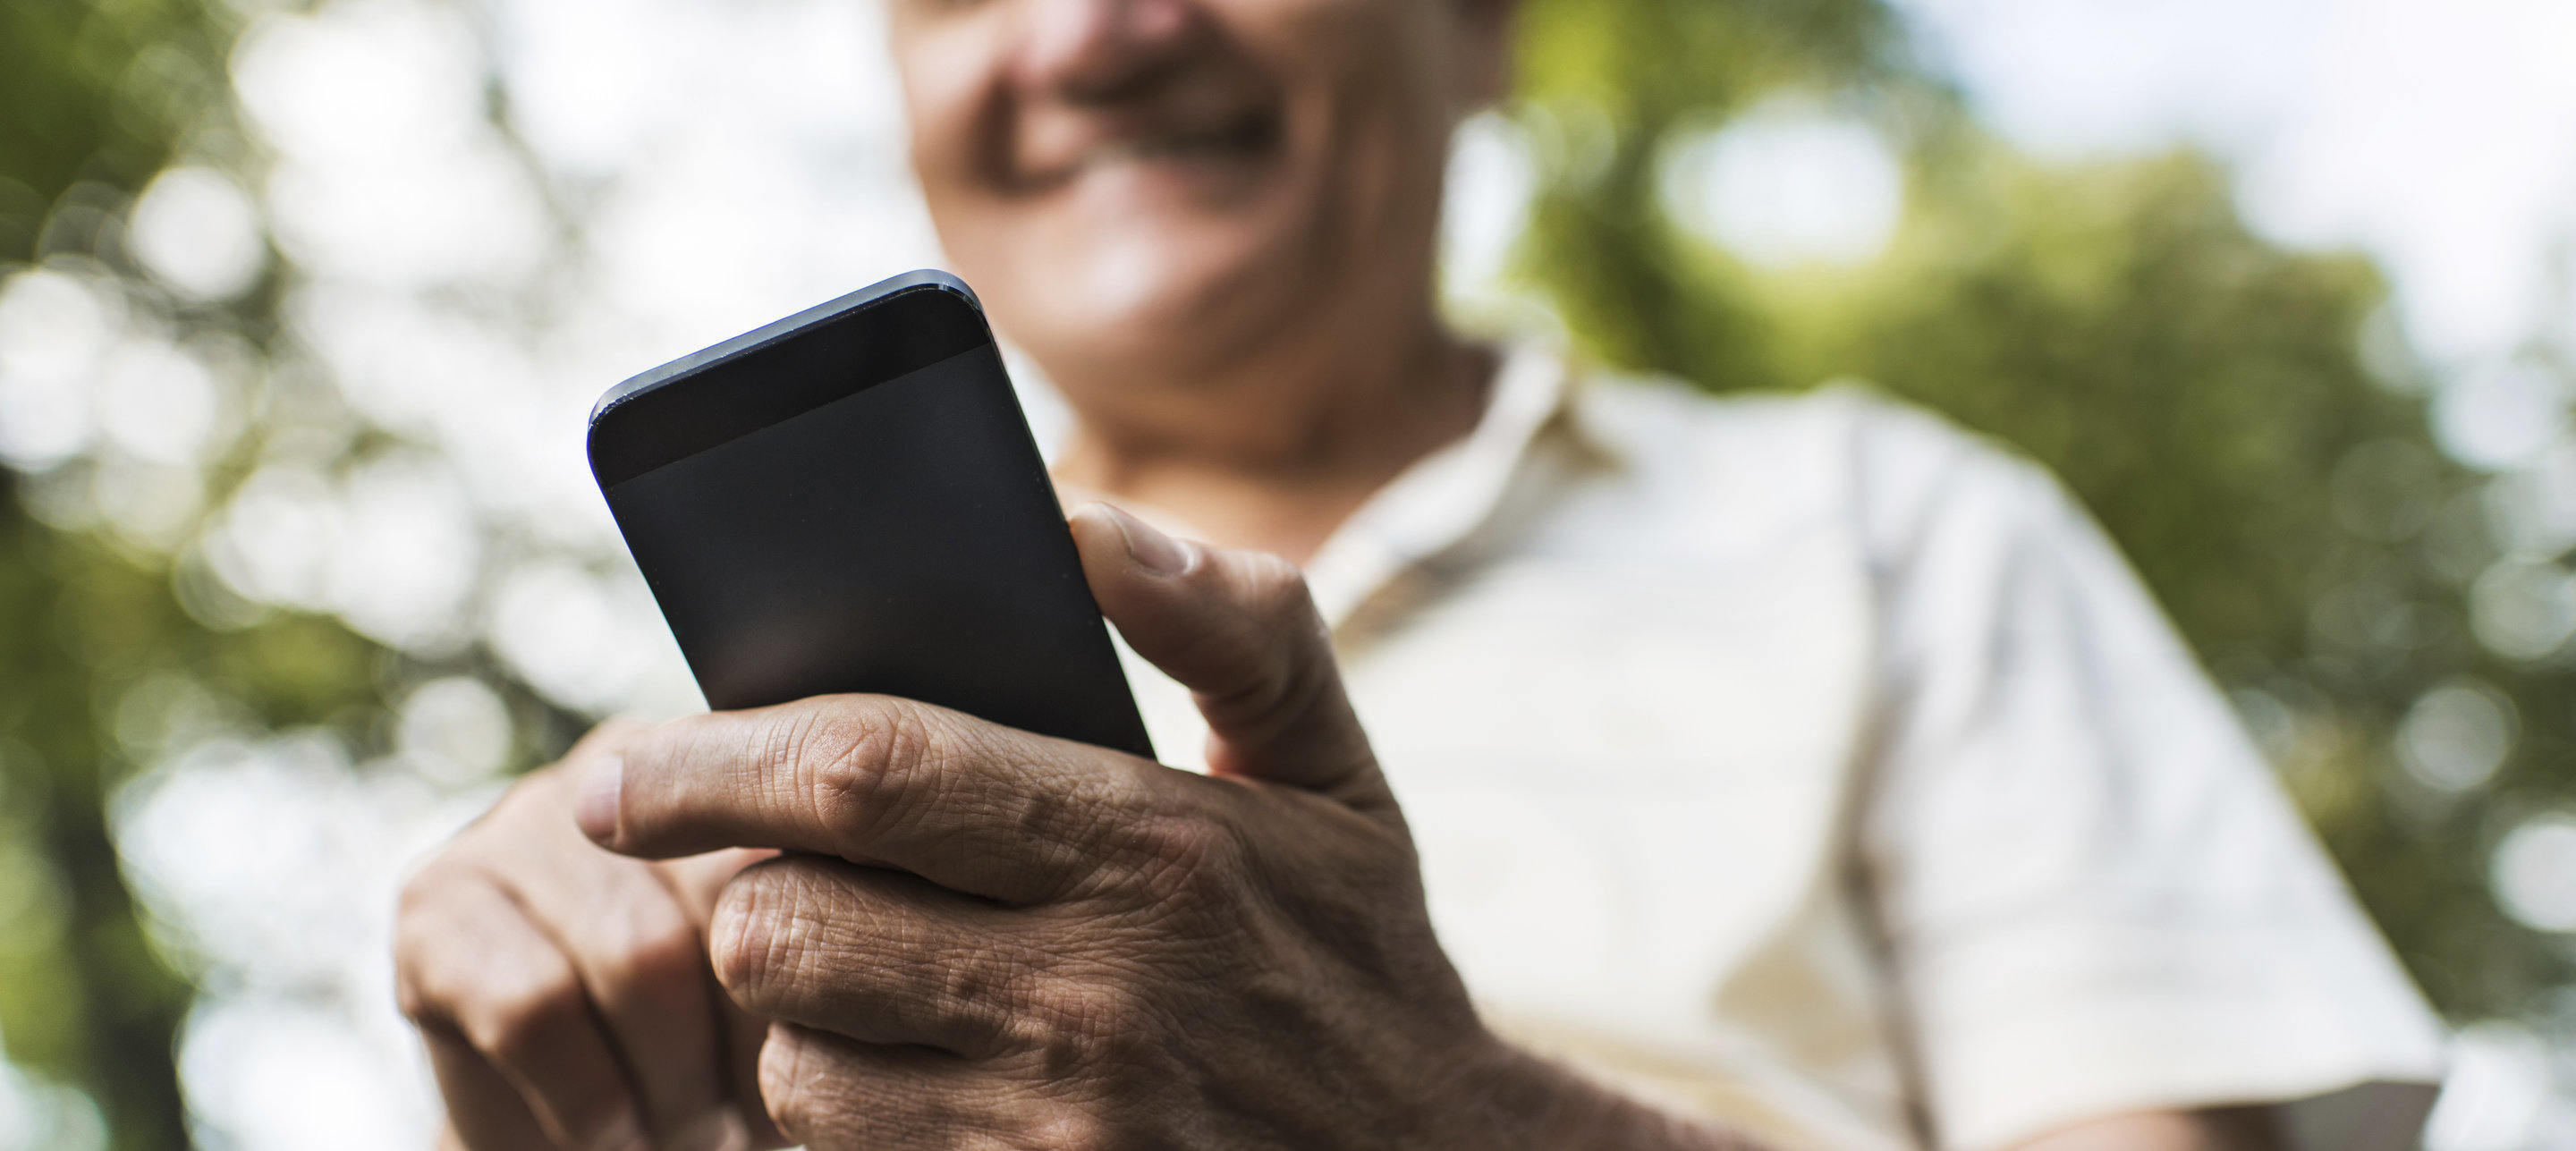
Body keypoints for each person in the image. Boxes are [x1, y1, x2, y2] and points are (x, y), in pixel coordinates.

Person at [392, 0, 2448, 1147]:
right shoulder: (731, 730)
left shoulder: (1896, 533)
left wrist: (1436, 1123)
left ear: (1484, 28)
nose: (1092, 31)